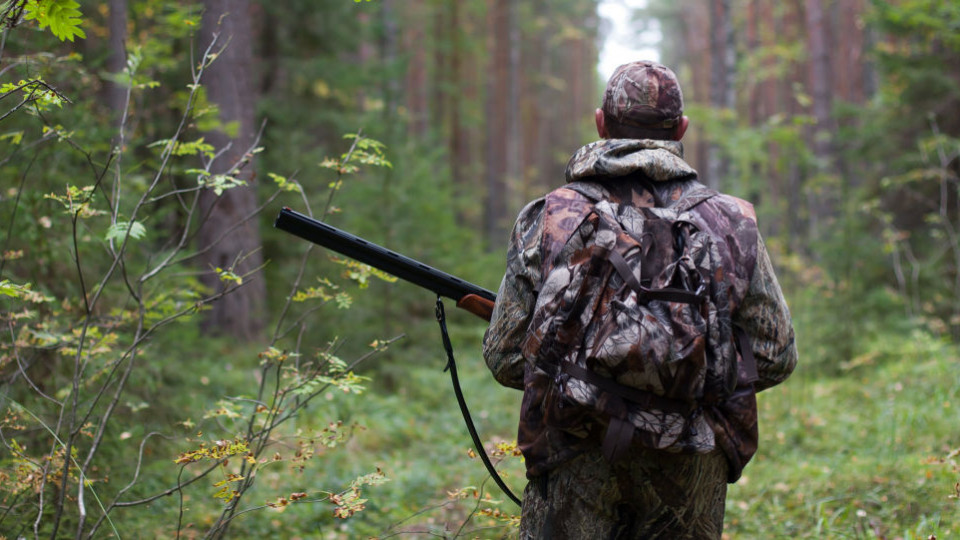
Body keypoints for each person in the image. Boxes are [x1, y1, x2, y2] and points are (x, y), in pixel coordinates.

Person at [482, 60, 798, 539]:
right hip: (692, 457)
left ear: (601, 123)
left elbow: (505, 357)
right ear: (681, 129)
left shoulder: (549, 217)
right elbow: (776, 356)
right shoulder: (732, 221)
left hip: (573, 451)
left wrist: (588, 380)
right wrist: (685, 380)